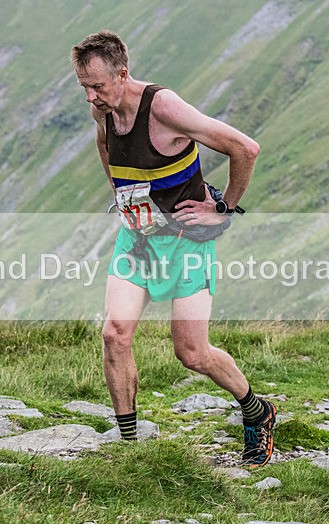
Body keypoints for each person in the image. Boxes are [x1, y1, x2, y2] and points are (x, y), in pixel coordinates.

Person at [71, 30, 275, 467]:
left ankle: (257, 411)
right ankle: (131, 450)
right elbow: (105, 145)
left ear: (122, 75)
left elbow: (246, 148)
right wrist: (121, 194)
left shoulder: (163, 108)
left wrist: (223, 208)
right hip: (138, 239)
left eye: (98, 87)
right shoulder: (102, 112)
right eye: (84, 87)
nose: (90, 97)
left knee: (192, 353)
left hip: (186, 244)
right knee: (115, 334)